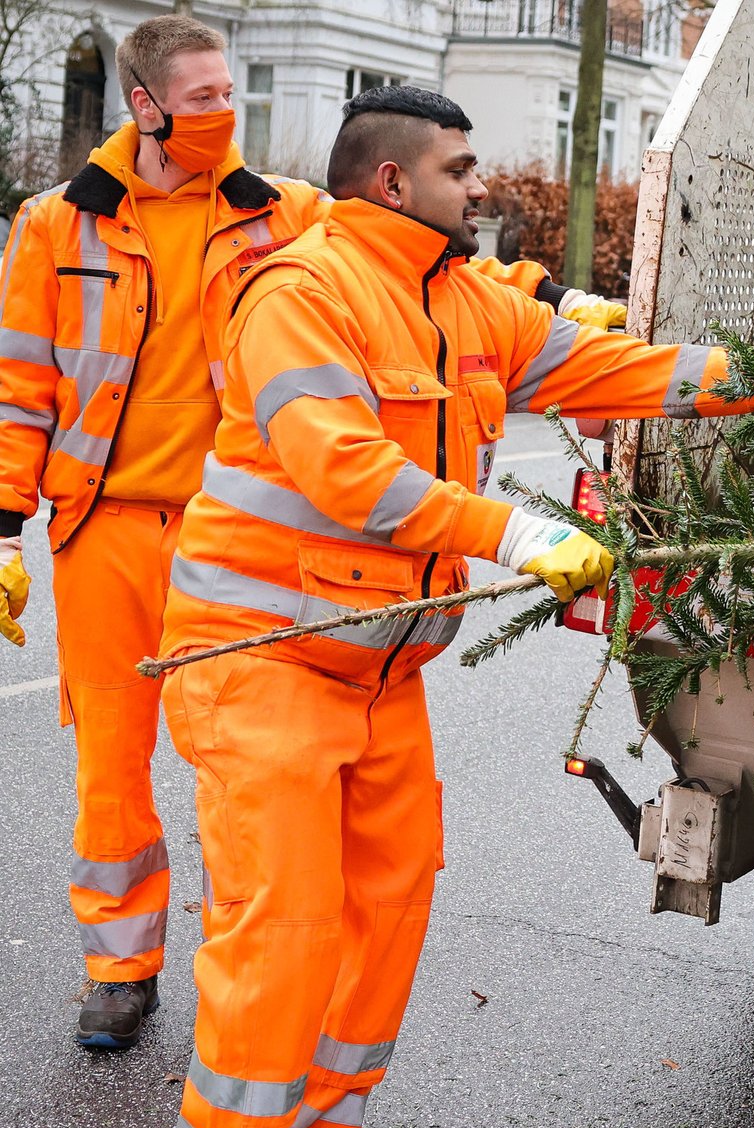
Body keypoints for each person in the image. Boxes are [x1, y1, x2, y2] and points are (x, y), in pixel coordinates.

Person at [157, 84, 754, 1128]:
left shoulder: (466, 299)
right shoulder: (300, 289)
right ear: (391, 180)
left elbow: (623, 371)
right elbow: (340, 467)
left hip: (380, 676)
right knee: (283, 936)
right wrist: (515, 533)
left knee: (383, 926)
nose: (481, 187)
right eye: (458, 168)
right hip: (264, 667)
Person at [0, 15, 628, 1052]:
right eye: (201, 100)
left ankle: (242, 966)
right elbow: (21, 386)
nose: (224, 116)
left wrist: (559, 302)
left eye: (231, 93)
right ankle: (120, 967)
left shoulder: (282, 211)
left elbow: (420, 261)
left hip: (235, 540)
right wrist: (5, 531)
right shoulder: (56, 225)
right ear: (143, 106)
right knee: (112, 762)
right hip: (106, 528)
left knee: (246, 781)